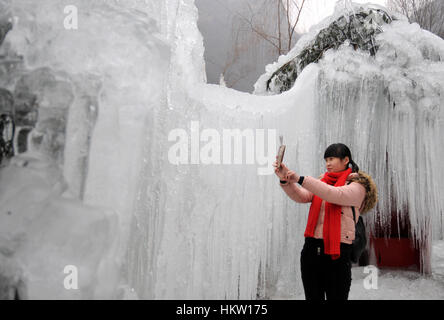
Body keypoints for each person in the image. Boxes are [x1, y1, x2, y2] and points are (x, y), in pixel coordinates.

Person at [273, 143, 377, 300]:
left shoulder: (358, 185)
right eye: (326, 160)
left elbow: (333, 194)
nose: (327, 163)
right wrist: (286, 181)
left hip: (338, 253)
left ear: (345, 160)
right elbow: (302, 196)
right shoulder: (323, 180)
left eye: (332, 159)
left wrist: (300, 179)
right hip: (311, 249)